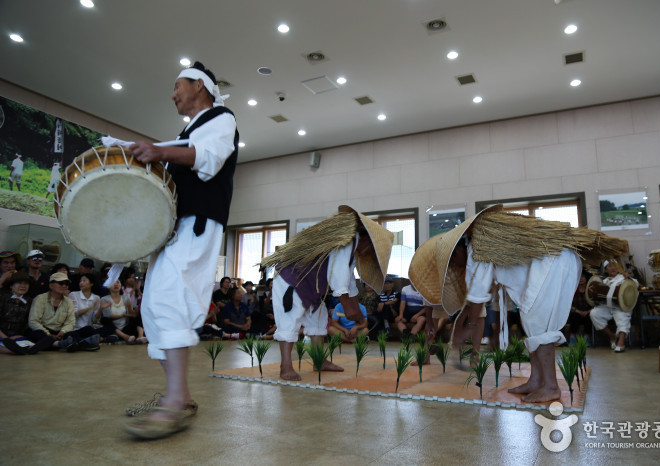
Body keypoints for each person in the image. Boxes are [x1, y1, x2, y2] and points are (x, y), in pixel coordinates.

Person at [124, 60, 239, 440]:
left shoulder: (221, 118)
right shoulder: (187, 130)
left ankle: (174, 403)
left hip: (198, 223)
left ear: (200, 87)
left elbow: (209, 160)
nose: (173, 93)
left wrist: (159, 152)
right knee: (154, 306)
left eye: (178, 86)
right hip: (178, 227)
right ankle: (182, 396)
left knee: (172, 300)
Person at [410, 205, 627, 403]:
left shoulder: (476, 251)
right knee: (532, 324)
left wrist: (465, 330)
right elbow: (479, 300)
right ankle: (536, 380)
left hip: (553, 262)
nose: (456, 266)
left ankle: (550, 386)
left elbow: (476, 302)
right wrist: (466, 325)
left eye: (453, 262)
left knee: (539, 326)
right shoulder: (481, 246)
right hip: (554, 262)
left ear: (457, 251)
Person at [260, 205, 393, 381]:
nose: (371, 254)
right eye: (373, 249)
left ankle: (319, 360)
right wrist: (349, 308)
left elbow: (349, 281)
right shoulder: (347, 241)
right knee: (290, 320)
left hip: (312, 287)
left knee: (319, 319)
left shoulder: (351, 248)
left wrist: (355, 310)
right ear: (367, 240)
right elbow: (337, 274)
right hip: (291, 280)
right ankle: (285, 367)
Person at [27, 272, 100, 352]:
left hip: (60, 332)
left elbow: (70, 322)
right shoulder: (40, 299)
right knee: (36, 333)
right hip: (44, 330)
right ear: (51, 285)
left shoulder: (68, 302)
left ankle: (72, 343)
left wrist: (63, 331)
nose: (64, 286)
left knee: (72, 334)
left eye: (66, 284)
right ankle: (77, 344)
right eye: (61, 283)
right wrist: (48, 334)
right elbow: (33, 321)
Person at [589, 260, 638, 353]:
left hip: (621, 307)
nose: (613, 268)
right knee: (594, 314)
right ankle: (612, 336)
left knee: (623, 318)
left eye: (614, 266)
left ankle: (621, 342)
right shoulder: (604, 281)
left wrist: (629, 278)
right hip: (607, 307)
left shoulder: (623, 278)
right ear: (606, 270)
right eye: (610, 266)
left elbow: (635, 284)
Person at [101, 279, 147, 344]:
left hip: (125, 327)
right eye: (113, 283)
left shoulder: (126, 298)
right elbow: (108, 316)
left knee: (139, 317)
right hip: (113, 328)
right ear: (108, 286)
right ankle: (124, 336)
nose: (116, 284)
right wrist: (123, 315)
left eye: (118, 282)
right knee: (105, 320)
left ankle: (140, 336)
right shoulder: (104, 299)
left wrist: (130, 310)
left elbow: (132, 315)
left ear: (121, 286)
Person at [567, 273, 593, 346]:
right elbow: (568, 305)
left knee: (590, 317)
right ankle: (572, 338)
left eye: (583, 277)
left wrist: (587, 311)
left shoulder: (590, 289)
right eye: (579, 277)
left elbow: (595, 304)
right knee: (574, 316)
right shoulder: (573, 290)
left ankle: (586, 339)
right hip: (576, 311)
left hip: (588, 311)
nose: (581, 279)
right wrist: (578, 311)